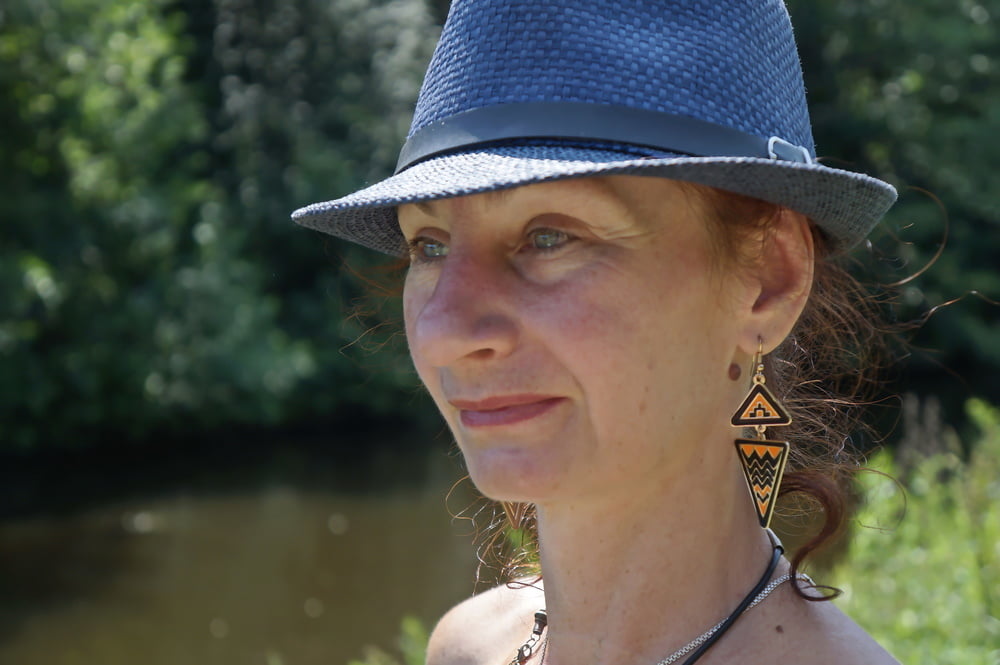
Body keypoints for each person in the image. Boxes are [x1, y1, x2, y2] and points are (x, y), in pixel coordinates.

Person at [292, 1, 901, 663]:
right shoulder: (468, 648)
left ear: (767, 281)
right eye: (429, 246)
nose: (442, 332)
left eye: (547, 237)